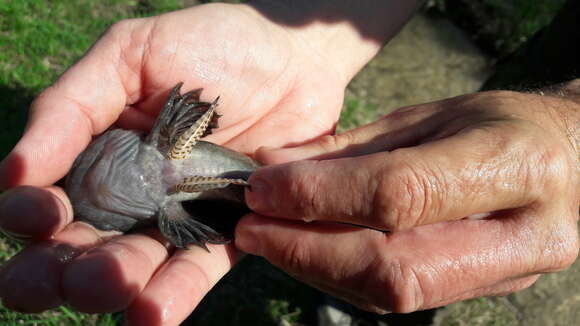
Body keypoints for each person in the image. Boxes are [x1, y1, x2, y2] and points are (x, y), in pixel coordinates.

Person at [0, 1, 577, 325]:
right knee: (492, 116)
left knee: (469, 196)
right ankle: (361, 286)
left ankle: (398, 288)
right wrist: (304, 37)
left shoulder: (165, 145)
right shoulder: (165, 162)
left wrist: (569, 134)